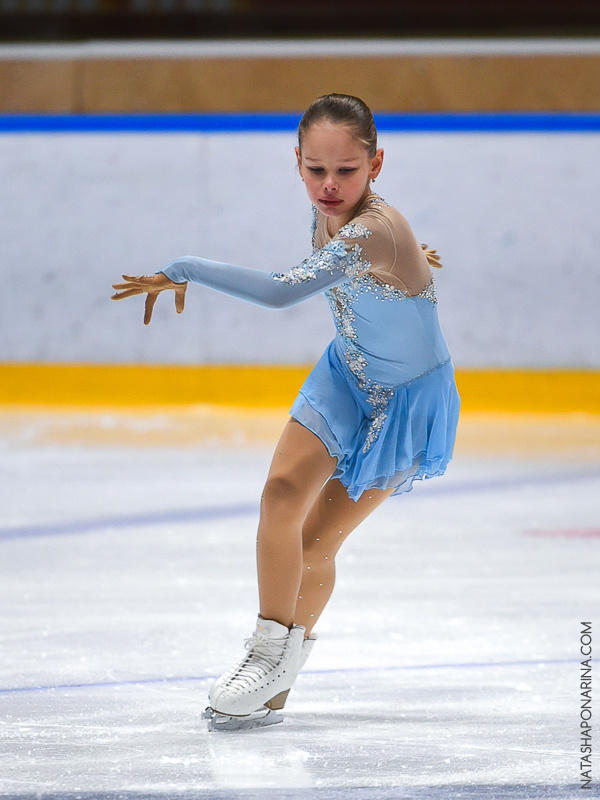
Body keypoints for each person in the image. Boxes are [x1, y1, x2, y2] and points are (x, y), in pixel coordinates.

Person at [112, 93, 460, 731]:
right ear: (296, 162)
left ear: (376, 164)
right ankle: (268, 654)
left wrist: (185, 266)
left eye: (347, 171)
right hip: (345, 373)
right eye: (315, 169)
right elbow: (359, 267)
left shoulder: (374, 229)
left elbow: (282, 292)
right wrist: (409, 260)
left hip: (406, 403)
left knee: (316, 540)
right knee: (279, 495)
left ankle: (279, 671)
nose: (329, 186)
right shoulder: (339, 222)